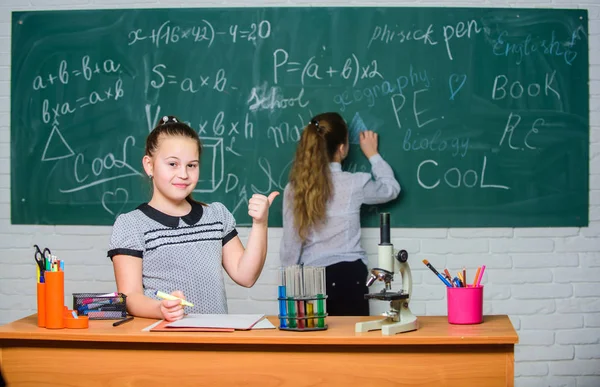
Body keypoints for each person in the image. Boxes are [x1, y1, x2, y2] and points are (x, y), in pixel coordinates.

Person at [108, 115, 278, 321]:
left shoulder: (216, 216)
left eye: (192, 165)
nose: (183, 174)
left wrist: (260, 223)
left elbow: (246, 276)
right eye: (172, 164)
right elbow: (130, 296)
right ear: (149, 165)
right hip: (167, 342)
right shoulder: (132, 225)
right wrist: (160, 309)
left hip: (216, 339)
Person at [280, 112, 400, 316]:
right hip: (349, 277)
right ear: (342, 148)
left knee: (316, 344)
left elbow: (290, 249)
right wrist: (373, 154)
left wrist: (288, 288)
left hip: (312, 280)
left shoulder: (294, 190)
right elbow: (391, 189)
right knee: (352, 345)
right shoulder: (354, 183)